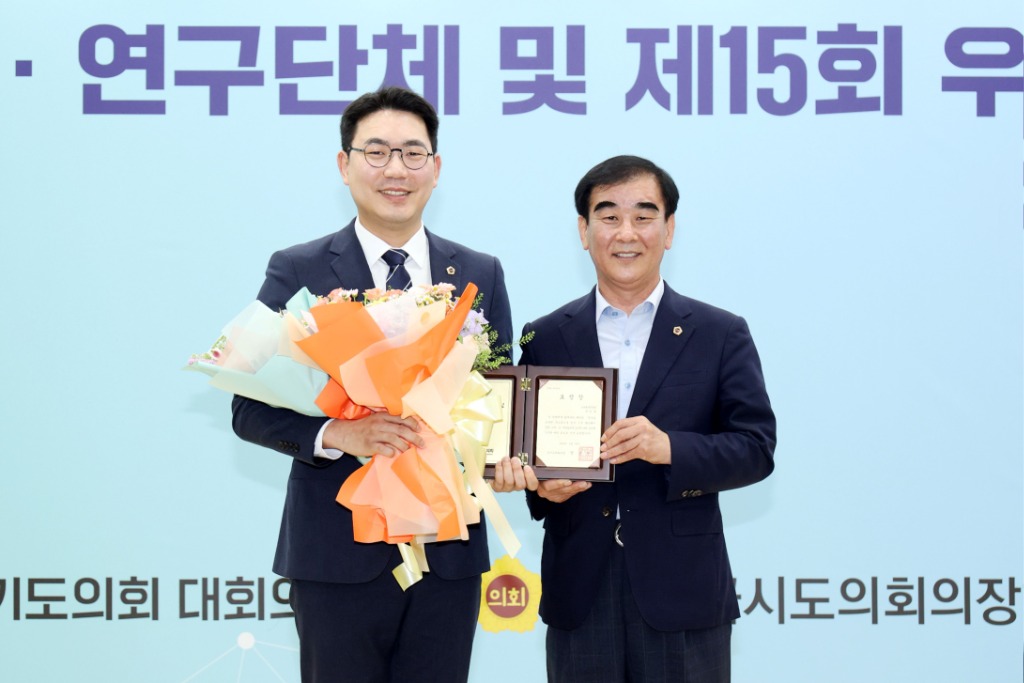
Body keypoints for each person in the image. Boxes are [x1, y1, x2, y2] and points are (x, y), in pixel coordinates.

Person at [231, 86, 533, 683]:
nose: (396, 169)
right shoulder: (298, 269)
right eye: (376, 152)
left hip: (448, 554)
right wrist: (341, 433)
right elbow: (249, 406)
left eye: (413, 154)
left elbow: (497, 400)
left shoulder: (478, 272)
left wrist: (515, 459)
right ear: (344, 165)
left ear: (436, 169)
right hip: (337, 555)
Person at [519, 155, 776, 683]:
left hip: (682, 593)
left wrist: (671, 449)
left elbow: (755, 447)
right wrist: (544, 488)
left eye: (644, 215)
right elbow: (525, 459)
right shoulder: (542, 335)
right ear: (583, 232)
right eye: (608, 216)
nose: (626, 233)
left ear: (670, 229)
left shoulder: (719, 332)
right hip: (580, 591)